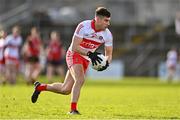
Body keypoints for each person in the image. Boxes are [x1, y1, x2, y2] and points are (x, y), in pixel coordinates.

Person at [31, 7, 113, 114]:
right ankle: (73, 110)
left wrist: (106, 63)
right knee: (80, 79)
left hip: (86, 59)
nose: (108, 23)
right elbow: (74, 47)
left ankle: (40, 87)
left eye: (109, 21)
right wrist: (90, 54)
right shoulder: (83, 26)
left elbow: (109, 54)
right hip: (74, 54)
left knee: (65, 89)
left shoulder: (107, 34)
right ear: (97, 19)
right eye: (106, 20)